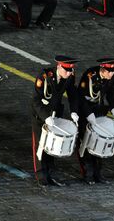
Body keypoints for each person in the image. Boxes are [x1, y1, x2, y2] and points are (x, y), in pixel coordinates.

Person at [31, 55, 79, 186]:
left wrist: (74, 111)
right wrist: (45, 117)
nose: (69, 73)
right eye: (66, 70)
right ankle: (41, 175)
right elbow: (35, 101)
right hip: (41, 116)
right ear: (59, 66)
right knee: (40, 146)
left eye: (70, 70)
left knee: (52, 145)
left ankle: (50, 173)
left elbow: (73, 95)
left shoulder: (69, 77)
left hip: (55, 114)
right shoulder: (44, 76)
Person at [78, 58, 114, 184]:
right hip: (86, 110)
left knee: (101, 140)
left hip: (99, 109)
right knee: (86, 142)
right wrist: (88, 114)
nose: (112, 74)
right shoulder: (89, 76)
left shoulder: (113, 75)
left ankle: (98, 173)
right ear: (102, 69)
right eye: (109, 71)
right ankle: (88, 173)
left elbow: (111, 92)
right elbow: (81, 97)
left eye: (113, 71)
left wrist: (113, 107)